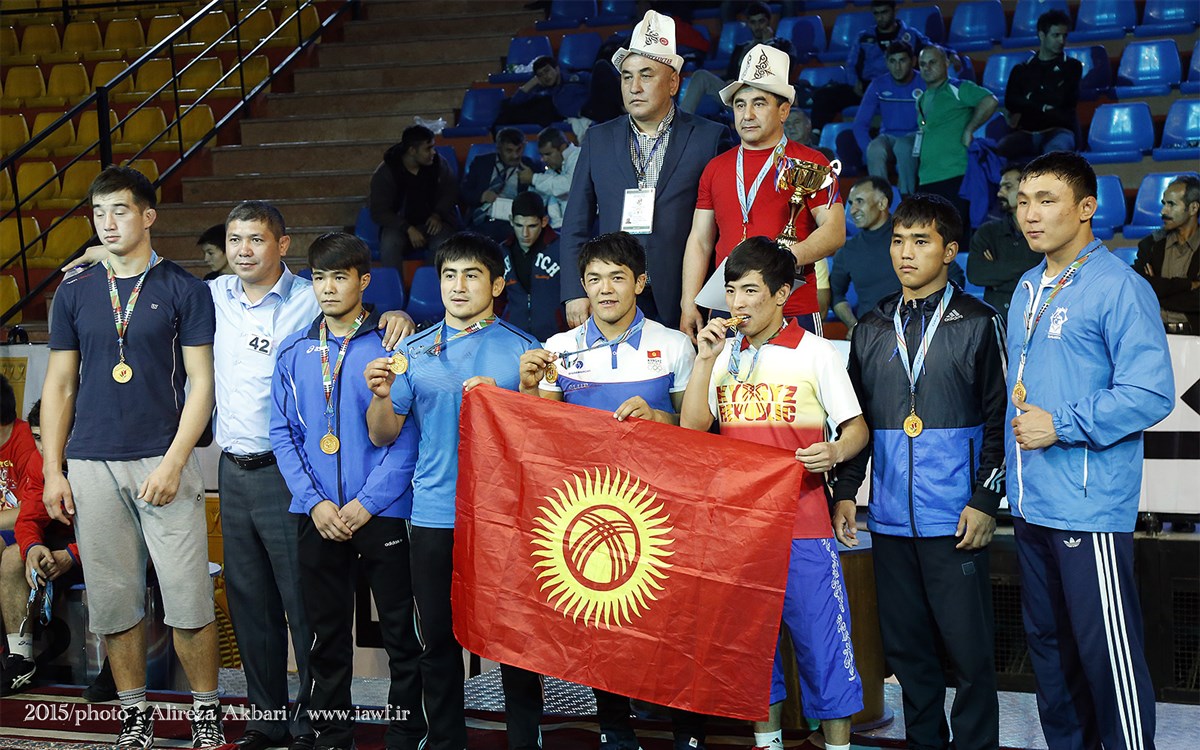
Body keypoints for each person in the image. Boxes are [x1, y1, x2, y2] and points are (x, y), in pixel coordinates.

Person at [40, 165, 222, 748]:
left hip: (162, 460)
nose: (108, 223)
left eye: (120, 210)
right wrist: (52, 469)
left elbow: (202, 384)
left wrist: (174, 462)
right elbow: (59, 385)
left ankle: (206, 713)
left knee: (188, 599)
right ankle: (134, 715)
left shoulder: (185, 288)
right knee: (114, 603)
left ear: (148, 216)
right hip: (91, 462)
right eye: (99, 213)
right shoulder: (74, 290)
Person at [1007, 151, 1173, 749]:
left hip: (1087, 508)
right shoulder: (1026, 286)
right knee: (1051, 655)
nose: (1031, 214)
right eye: (1023, 202)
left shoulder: (1120, 287)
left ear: (1086, 208)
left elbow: (1151, 392)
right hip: (1030, 502)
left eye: (1046, 201)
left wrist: (1063, 425)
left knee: (1107, 658)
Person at [679, 237, 867, 750]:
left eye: (749, 290)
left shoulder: (816, 352)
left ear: (782, 294)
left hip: (804, 524)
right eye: (731, 291)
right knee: (752, 651)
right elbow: (693, 428)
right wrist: (704, 360)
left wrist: (834, 452)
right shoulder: (721, 354)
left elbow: (856, 429)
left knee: (825, 649)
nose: (737, 303)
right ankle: (768, 745)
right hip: (739, 530)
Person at [518, 231, 704, 749]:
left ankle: (687, 732)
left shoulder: (673, 344)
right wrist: (529, 388)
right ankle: (615, 730)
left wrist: (658, 419)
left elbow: (697, 432)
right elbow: (544, 433)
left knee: (673, 619)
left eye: (617, 278)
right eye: (594, 279)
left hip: (662, 506)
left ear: (640, 283)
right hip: (593, 510)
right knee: (604, 620)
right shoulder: (558, 350)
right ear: (582, 284)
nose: (605, 289)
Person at [833, 194, 1005, 750]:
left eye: (921, 241)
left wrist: (985, 499)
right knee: (908, 653)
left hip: (955, 518)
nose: (905, 253)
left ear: (950, 251)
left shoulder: (979, 322)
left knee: (969, 654)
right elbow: (855, 422)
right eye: (898, 241)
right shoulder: (870, 326)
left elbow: (1001, 420)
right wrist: (845, 492)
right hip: (888, 520)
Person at [364, 232, 539, 750]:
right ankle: (444, 740)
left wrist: (524, 395)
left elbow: (540, 441)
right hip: (435, 513)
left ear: (497, 285)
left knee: (514, 640)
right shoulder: (412, 352)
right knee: (437, 639)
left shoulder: (525, 351)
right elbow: (382, 434)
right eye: (448, 275)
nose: (458, 286)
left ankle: (525, 741)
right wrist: (380, 396)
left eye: (472, 275)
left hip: (504, 517)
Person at [270, 232, 424, 750]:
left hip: (381, 512)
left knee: (401, 632)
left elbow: (407, 437)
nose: (329, 288)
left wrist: (366, 504)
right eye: (319, 278)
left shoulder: (394, 347)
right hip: (317, 516)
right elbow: (283, 434)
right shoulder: (294, 352)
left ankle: (406, 732)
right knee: (325, 635)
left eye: (340, 277)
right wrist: (314, 502)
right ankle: (333, 733)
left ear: (364, 281)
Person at [560, 9, 732, 331]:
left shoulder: (709, 138)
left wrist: (711, 298)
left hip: (685, 300)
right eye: (627, 77)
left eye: (646, 75)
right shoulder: (598, 139)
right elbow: (576, 223)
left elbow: (724, 228)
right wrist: (574, 290)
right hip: (615, 297)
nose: (634, 87)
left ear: (673, 82)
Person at [681, 44, 846, 339]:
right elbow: (700, 240)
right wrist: (688, 301)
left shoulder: (811, 162)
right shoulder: (716, 167)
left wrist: (784, 260)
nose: (747, 114)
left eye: (759, 103)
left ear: (783, 111)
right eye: (739, 105)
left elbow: (834, 232)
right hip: (727, 307)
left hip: (792, 306)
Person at [914, 45, 998, 234]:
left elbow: (990, 100)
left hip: (955, 174)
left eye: (932, 62)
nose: (927, 67)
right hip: (926, 178)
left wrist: (970, 128)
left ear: (946, 63)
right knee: (932, 236)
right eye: (922, 64)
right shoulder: (921, 99)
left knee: (956, 234)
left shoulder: (958, 88)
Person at [811, 0, 929, 130]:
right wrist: (855, 83)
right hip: (868, 88)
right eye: (876, 13)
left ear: (894, 11)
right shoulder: (864, 37)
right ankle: (815, 134)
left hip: (902, 87)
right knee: (824, 95)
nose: (880, 17)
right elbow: (851, 65)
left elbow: (932, 52)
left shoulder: (911, 35)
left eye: (884, 12)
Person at [0, 376, 47, 694]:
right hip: (18, 528)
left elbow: (30, 510)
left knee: (9, 556)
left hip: (34, 532)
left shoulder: (27, 441)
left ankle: (18, 657)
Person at [679, 2, 797, 115]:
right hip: (738, 96)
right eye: (753, 22)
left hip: (766, 96)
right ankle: (680, 122)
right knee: (701, 76)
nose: (757, 27)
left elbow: (784, 72)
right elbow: (730, 75)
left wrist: (768, 44)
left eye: (761, 21)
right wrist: (730, 81)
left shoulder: (783, 45)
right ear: (748, 24)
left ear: (768, 21)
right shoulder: (741, 48)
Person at [368, 124, 460, 268]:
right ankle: (393, 282)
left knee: (443, 244)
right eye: (428, 149)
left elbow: (451, 191)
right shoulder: (387, 172)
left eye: (433, 147)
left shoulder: (439, 164)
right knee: (390, 243)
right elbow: (379, 211)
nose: (433, 152)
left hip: (434, 223)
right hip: (399, 226)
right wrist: (407, 228)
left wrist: (438, 214)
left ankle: (429, 281)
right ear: (412, 150)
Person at [997, 10, 1080, 161]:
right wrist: (1044, 105)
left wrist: (1029, 97)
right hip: (1026, 133)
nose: (1061, 41)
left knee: (1055, 154)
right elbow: (1011, 102)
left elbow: (1060, 100)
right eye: (1056, 35)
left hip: (1058, 131)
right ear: (1042, 35)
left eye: (1064, 36)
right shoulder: (1021, 69)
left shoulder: (1072, 66)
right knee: (998, 152)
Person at [967, 164, 1042, 315]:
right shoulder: (987, 232)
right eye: (1000, 187)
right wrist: (1027, 269)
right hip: (995, 322)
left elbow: (1049, 276)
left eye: (1008, 187)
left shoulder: (1046, 232)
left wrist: (997, 277)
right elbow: (975, 274)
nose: (999, 193)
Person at [853, 41, 924, 196]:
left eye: (902, 60)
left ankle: (908, 197)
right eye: (892, 61)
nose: (897, 67)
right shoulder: (878, 85)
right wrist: (867, 150)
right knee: (875, 149)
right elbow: (860, 124)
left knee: (903, 147)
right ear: (886, 63)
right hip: (888, 136)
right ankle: (880, 198)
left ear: (913, 61)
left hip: (916, 135)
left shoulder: (923, 82)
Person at [1134, 174, 1200, 335]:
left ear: (1193, 208)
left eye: (1171, 204)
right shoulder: (1150, 245)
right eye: (1164, 204)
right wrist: (1187, 285)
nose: (1163, 211)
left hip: (1195, 336)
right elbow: (1137, 288)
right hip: (1155, 335)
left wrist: (1157, 290)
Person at [500, 192, 564, 342]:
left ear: (544, 221)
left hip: (556, 339)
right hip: (513, 339)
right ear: (511, 220)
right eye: (519, 225)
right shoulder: (501, 252)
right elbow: (497, 300)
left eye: (532, 226)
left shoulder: (563, 249)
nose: (525, 233)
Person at [463, 127, 539, 242]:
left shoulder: (531, 167)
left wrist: (532, 180)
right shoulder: (481, 163)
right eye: (509, 151)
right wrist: (481, 196)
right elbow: (464, 192)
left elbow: (539, 200)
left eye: (519, 149)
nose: (515, 155)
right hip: (482, 219)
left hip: (512, 222)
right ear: (498, 148)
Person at [495, 55, 590, 127]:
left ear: (557, 69)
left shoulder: (576, 79)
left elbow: (596, 86)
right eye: (540, 75)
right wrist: (532, 82)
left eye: (547, 71)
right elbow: (515, 102)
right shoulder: (541, 89)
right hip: (550, 117)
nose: (545, 76)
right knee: (507, 107)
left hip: (580, 113)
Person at [524, 126, 579, 229]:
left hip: (588, 224)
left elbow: (569, 184)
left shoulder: (580, 156)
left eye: (548, 154)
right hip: (560, 228)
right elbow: (540, 199)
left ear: (562, 148)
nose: (544, 159)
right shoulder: (552, 170)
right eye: (542, 155)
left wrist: (533, 179)